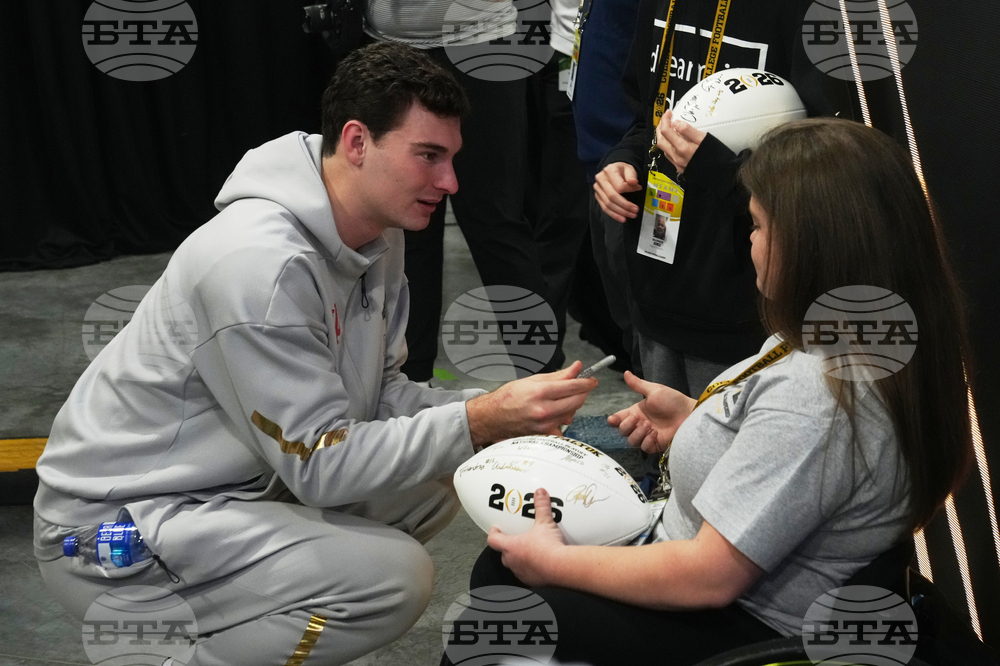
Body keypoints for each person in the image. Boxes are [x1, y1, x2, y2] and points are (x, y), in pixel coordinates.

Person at [33, 43, 597, 666]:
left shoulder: (377, 232)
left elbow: (382, 396)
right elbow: (320, 465)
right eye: (428, 157)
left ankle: (270, 608)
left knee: (452, 471)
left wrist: (498, 417)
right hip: (112, 525)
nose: (450, 182)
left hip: (237, 483)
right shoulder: (259, 265)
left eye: (452, 158)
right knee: (391, 577)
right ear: (357, 142)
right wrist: (478, 420)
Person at [447, 118, 974, 665]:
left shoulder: (820, 396)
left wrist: (552, 564)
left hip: (739, 625)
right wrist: (697, 418)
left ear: (814, 247)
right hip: (720, 583)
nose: (750, 241)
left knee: (497, 598)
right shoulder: (859, 342)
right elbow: (795, 461)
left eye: (759, 226)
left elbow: (710, 577)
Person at [594, 0, 834, 398]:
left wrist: (720, 169)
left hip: (744, 307)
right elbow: (649, 116)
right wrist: (624, 158)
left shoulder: (805, 11)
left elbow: (828, 172)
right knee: (663, 449)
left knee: (728, 448)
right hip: (658, 286)